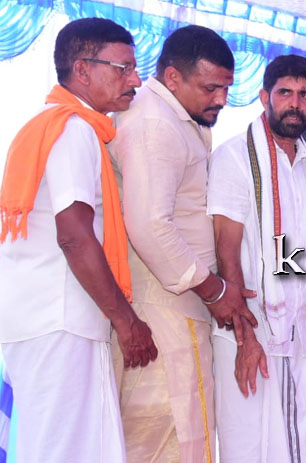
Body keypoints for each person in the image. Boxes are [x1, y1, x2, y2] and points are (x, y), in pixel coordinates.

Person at [0, 18, 155, 462]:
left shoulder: (50, 124)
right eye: (123, 68)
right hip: (62, 319)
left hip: (44, 317)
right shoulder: (73, 129)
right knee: (65, 451)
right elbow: (74, 235)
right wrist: (127, 321)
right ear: (82, 69)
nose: (135, 80)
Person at [108, 25, 248, 463]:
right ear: (172, 77)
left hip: (177, 303)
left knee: (173, 434)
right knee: (171, 436)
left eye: (226, 88)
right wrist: (215, 291)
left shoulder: (174, 117)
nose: (221, 99)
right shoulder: (155, 123)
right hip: (165, 306)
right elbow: (151, 226)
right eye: (210, 88)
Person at [208, 54, 306, 462]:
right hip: (250, 330)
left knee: (301, 445)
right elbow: (226, 248)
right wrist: (245, 338)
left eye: (305, 95)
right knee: (251, 445)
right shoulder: (234, 157)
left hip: (299, 330)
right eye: (285, 93)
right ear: (264, 97)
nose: (295, 104)